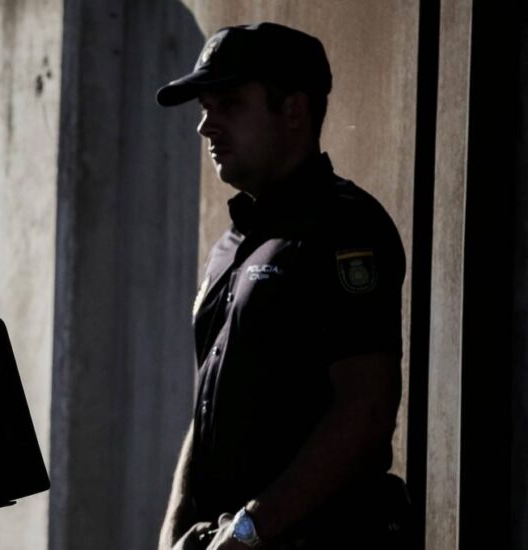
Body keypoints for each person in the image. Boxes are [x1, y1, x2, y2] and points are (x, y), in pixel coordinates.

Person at [155, 23, 413, 550]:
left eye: (228, 104)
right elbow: (207, 412)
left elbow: (365, 410)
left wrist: (252, 529)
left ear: (293, 111)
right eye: (204, 108)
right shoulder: (233, 242)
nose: (206, 126)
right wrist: (174, 532)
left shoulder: (344, 229)